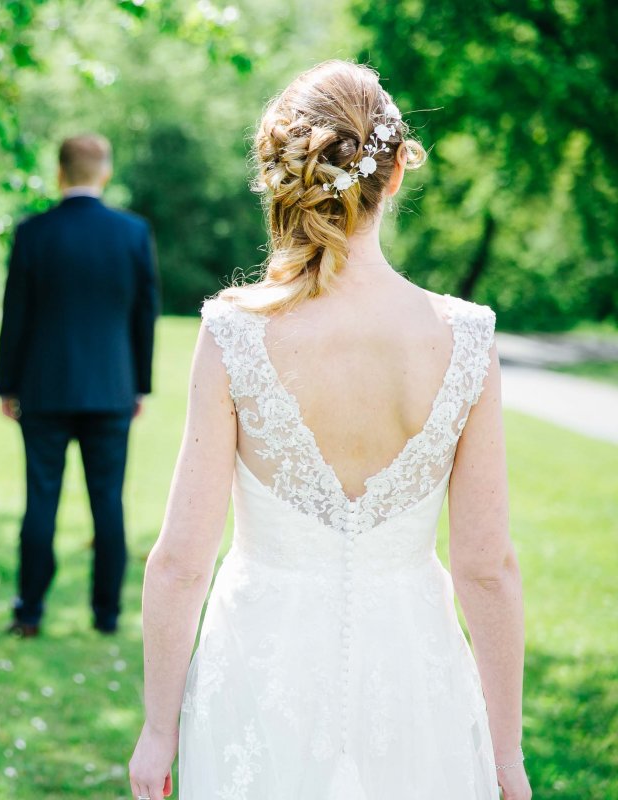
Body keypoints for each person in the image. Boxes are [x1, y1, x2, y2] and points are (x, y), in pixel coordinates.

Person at [127, 61, 530, 800]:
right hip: (415, 677)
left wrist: (159, 730)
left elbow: (182, 559)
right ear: (397, 172)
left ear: (286, 174)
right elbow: (486, 566)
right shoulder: (466, 340)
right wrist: (506, 751)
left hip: (258, 669)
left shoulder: (234, 334)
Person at [0, 133, 160, 638]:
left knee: (40, 500)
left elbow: (15, 314)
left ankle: (29, 612)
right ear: (104, 172)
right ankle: (106, 615)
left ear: (60, 173)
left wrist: (7, 385)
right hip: (111, 389)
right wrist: (139, 386)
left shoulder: (33, 232)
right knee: (107, 501)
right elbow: (144, 315)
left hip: (43, 389)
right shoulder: (132, 234)